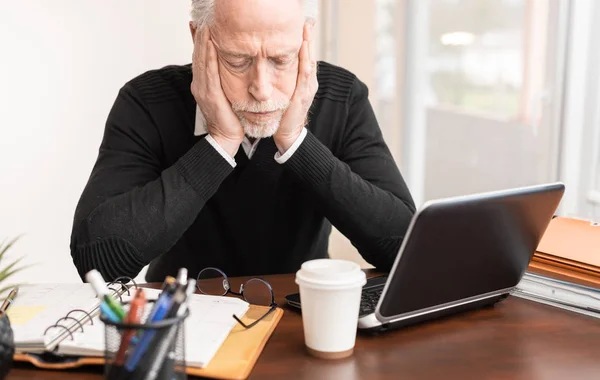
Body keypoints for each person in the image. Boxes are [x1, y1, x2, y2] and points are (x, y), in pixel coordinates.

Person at [70, 0, 416, 283]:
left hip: (297, 315)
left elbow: (404, 249)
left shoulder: (343, 97)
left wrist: (295, 141)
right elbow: (97, 259)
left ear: (305, 37)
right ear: (198, 37)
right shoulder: (146, 101)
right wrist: (220, 143)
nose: (261, 88)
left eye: (282, 59)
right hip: (181, 320)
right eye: (238, 61)